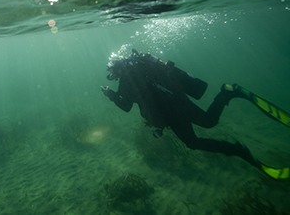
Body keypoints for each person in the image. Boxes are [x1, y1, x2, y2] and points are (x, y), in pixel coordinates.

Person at [101, 49, 260, 169]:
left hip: (173, 112)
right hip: (176, 105)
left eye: (113, 72)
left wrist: (111, 95)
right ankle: (226, 96)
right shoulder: (143, 68)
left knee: (196, 138)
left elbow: (126, 106)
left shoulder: (126, 82)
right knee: (204, 127)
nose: (114, 75)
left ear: (116, 69)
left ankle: (235, 148)